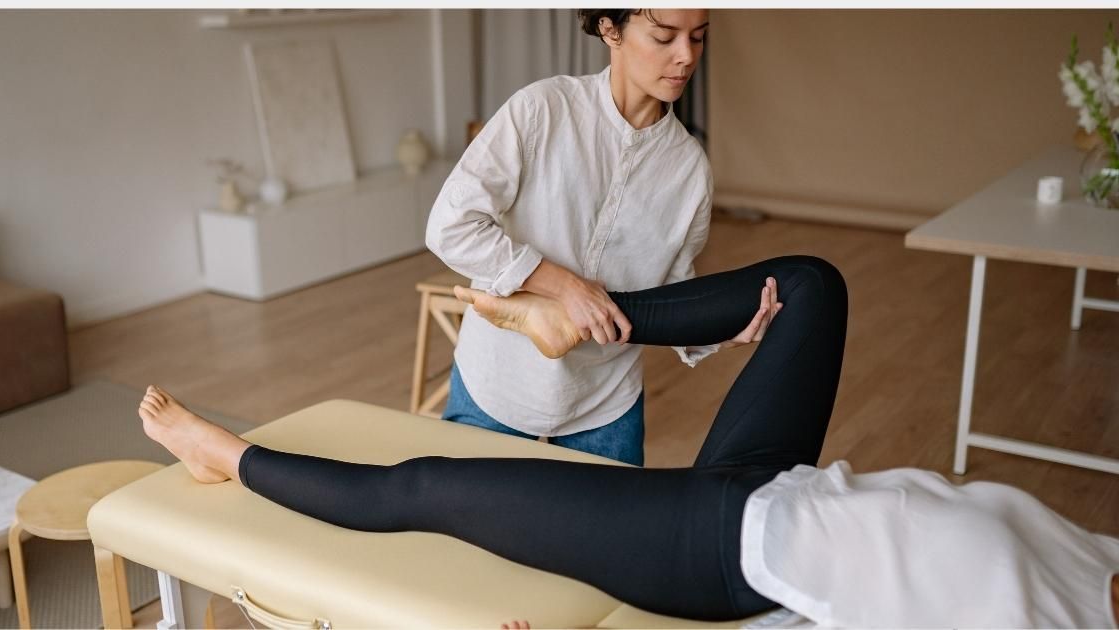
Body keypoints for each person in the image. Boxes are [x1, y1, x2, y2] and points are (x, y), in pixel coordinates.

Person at [139, 256, 1119, 628]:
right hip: (787, 484)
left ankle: (224, 457)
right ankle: (565, 317)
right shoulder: (1101, 567)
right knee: (813, 287)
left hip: (718, 553)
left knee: (432, 485)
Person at [425, 9, 733, 465]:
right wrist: (564, 286)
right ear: (610, 29)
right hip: (497, 384)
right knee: (464, 533)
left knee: (605, 538)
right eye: (665, 37)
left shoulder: (689, 170)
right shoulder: (541, 110)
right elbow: (449, 226)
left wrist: (723, 326)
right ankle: (532, 310)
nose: (686, 57)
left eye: (699, 37)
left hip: (605, 404)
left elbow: (673, 289)